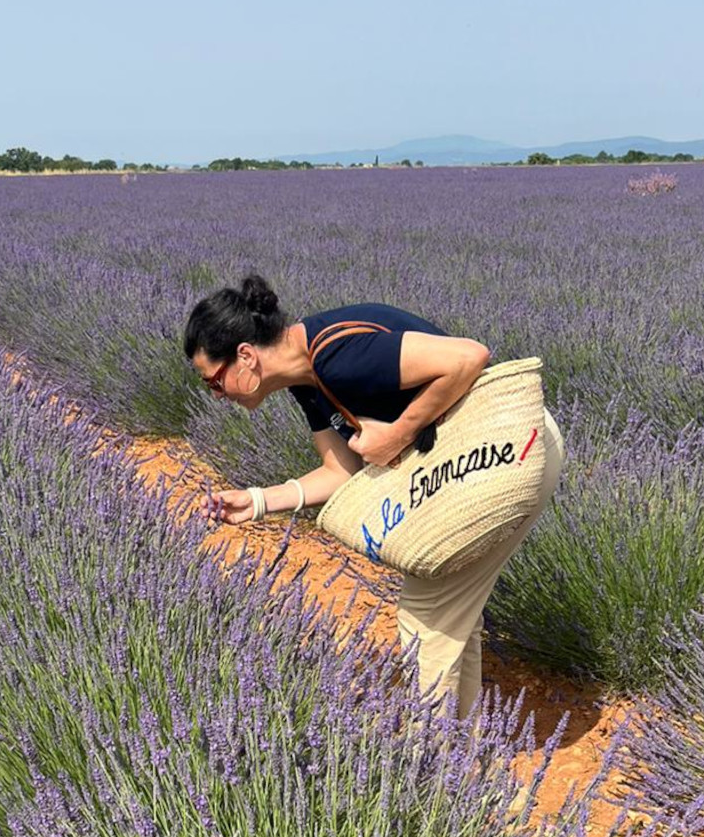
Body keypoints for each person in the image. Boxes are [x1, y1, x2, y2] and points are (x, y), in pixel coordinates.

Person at [184, 273, 564, 722]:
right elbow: (339, 471)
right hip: (479, 464)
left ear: (245, 356)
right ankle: (463, 750)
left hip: (508, 454)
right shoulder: (307, 380)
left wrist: (398, 434)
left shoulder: (336, 357)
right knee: (449, 613)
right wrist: (258, 501)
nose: (216, 394)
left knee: (427, 617)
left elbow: (469, 357)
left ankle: (440, 766)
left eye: (214, 380)